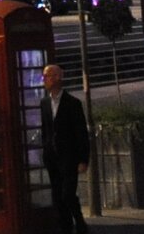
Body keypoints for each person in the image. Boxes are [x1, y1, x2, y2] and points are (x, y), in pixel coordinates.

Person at [39, 65, 90, 234]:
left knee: (67, 194)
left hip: (69, 157)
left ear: (57, 78)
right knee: (57, 195)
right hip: (52, 157)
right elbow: (46, 129)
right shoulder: (44, 103)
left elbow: (81, 132)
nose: (44, 80)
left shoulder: (73, 103)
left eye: (47, 76)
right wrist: (45, 148)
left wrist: (83, 159)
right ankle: (66, 226)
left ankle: (80, 222)